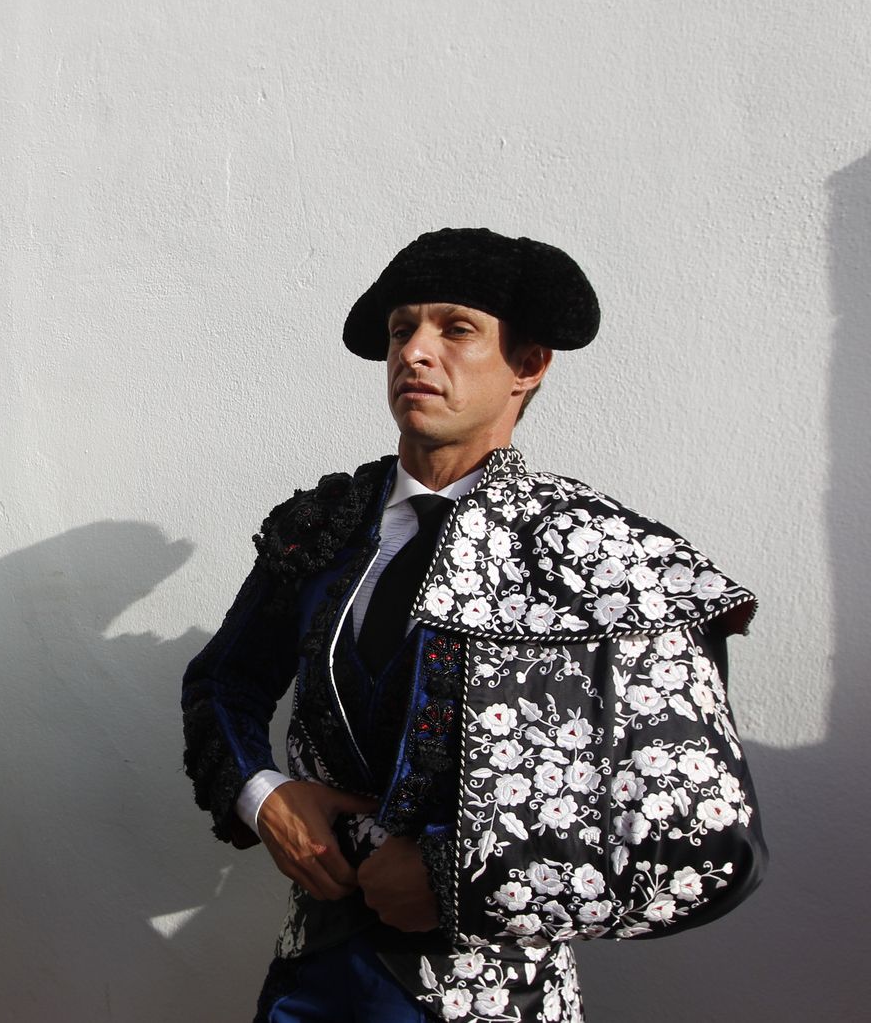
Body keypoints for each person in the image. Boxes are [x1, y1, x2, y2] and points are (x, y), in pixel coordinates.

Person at [181, 228, 766, 1022]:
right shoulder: (324, 526)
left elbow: (704, 833)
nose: (415, 352)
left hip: (493, 995)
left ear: (527, 365)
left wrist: (463, 873)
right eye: (401, 330)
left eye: (455, 329)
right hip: (311, 983)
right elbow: (225, 681)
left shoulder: (605, 558)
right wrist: (264, 792)